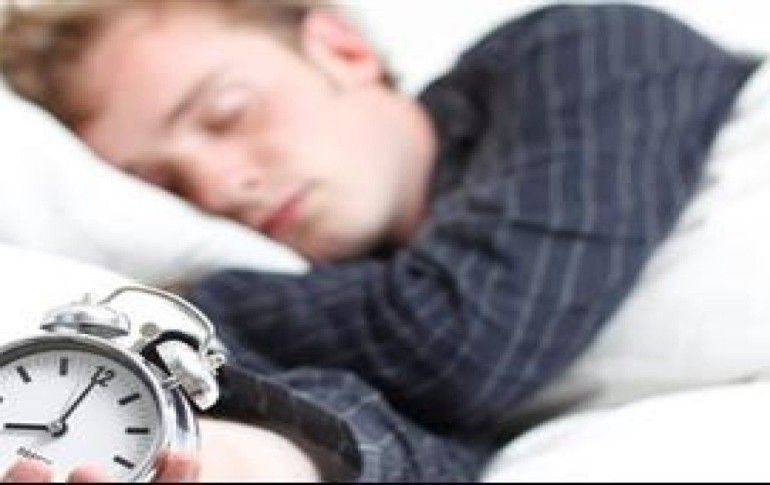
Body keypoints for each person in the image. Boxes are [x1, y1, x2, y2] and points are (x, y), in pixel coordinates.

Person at [0, 0, 759, 481]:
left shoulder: (584, 49)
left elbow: (461, 339)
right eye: (166, 187)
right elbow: (422, 445)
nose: (222, 186)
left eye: (226, 114)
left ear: (342, 49)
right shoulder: (344, 317)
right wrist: (236, 460)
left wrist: (190, 302)